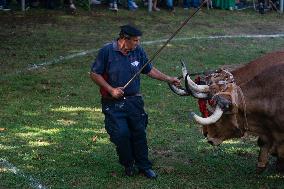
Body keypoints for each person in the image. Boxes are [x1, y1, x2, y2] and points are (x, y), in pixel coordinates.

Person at [90, 24, 180, 179]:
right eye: (135, 40)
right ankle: (128, 163)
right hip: (113, 103)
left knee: (139, 133)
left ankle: (144, 166)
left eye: (139, 40)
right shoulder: (107, 51)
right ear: (124, 39)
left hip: (134, 102)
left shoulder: (138, 51)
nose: (138, 43)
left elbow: (149, 69)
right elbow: (94, 74)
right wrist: (111, 89)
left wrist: (168, 79)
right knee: (121, 134)